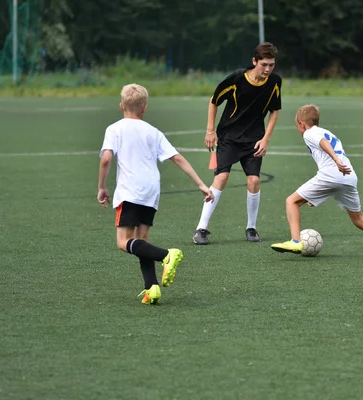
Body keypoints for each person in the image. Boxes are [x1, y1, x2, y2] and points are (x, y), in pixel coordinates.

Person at [98, 83, 214, 305]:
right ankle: (152, 288)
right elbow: (177, 157)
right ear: (144, 108)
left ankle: (166, 255)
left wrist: (102, 187)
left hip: (130, 191)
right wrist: (200, 183)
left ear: (121, 105)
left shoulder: (114, 129)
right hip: (151, 191)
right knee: (142, 241)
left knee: (124, 242)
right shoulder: (154, 131)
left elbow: (105, 159)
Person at [270, 104, 363, 259]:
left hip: (334, 173)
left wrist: (336, 160)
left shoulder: (309, 133)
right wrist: (316, 196)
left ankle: (295, 241)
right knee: (358, 219)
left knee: (291, 201)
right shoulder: (327, 132)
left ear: (301, 123)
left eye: (297, 126)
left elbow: (322, 143)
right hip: (348, 177)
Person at [193, 42, 282, 245]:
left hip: (254, 139)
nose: (268, 69)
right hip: (229, 137)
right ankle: (201, 228)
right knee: (221, 177)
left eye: (271, 65)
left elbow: (274, 110)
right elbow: (214, 100)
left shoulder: (275, 82)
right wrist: (210, 130)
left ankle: (251, 228)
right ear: (254, 61)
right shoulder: (237, 79)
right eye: (264, 64)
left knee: (254, 181)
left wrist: (266, 138)